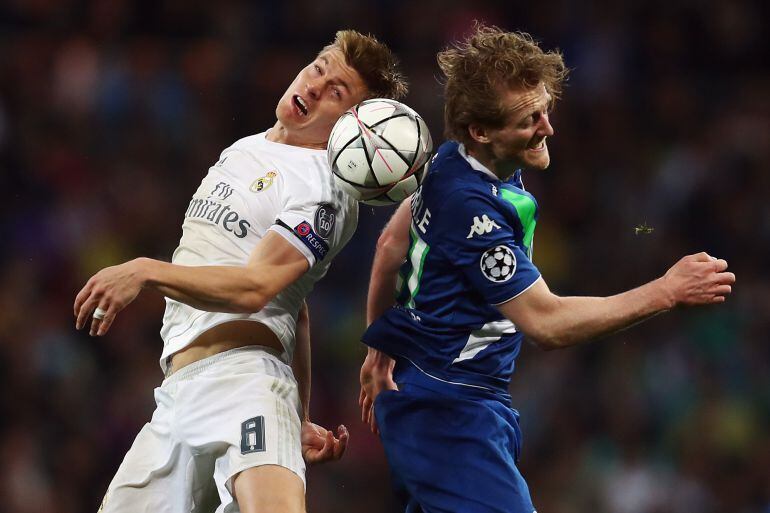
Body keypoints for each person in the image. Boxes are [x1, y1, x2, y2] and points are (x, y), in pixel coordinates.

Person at [358, 23, 736, 513]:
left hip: (449, 400)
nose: (547, 127)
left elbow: (391, 245)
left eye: (545, 108)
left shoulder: (452, 159)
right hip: (449, 413)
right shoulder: (469, 206)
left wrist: (379, 348)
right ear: (481, 130)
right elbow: (547, 323)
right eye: (528, 118)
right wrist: (667, 290)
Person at [74, 30, 407, 513]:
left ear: (352, 127)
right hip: (177, 394)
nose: (315, 85)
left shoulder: (324, 188)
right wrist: (300, 415)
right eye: (318, 67)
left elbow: (258, 289)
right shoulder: (245, 148)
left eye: (337, 92)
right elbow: (296, 306)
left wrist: (145, 271)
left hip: (245, 383)